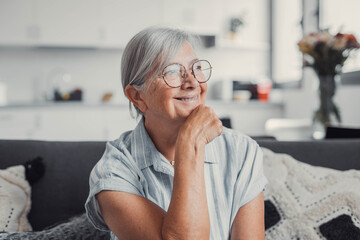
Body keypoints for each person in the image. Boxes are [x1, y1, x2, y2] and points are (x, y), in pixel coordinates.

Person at [85, 27, 268, 240]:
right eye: (172, 71)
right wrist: (191, 144)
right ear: (137, 97)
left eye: (196, 68)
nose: (192, 83)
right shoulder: (113, 172)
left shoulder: (242, 151)